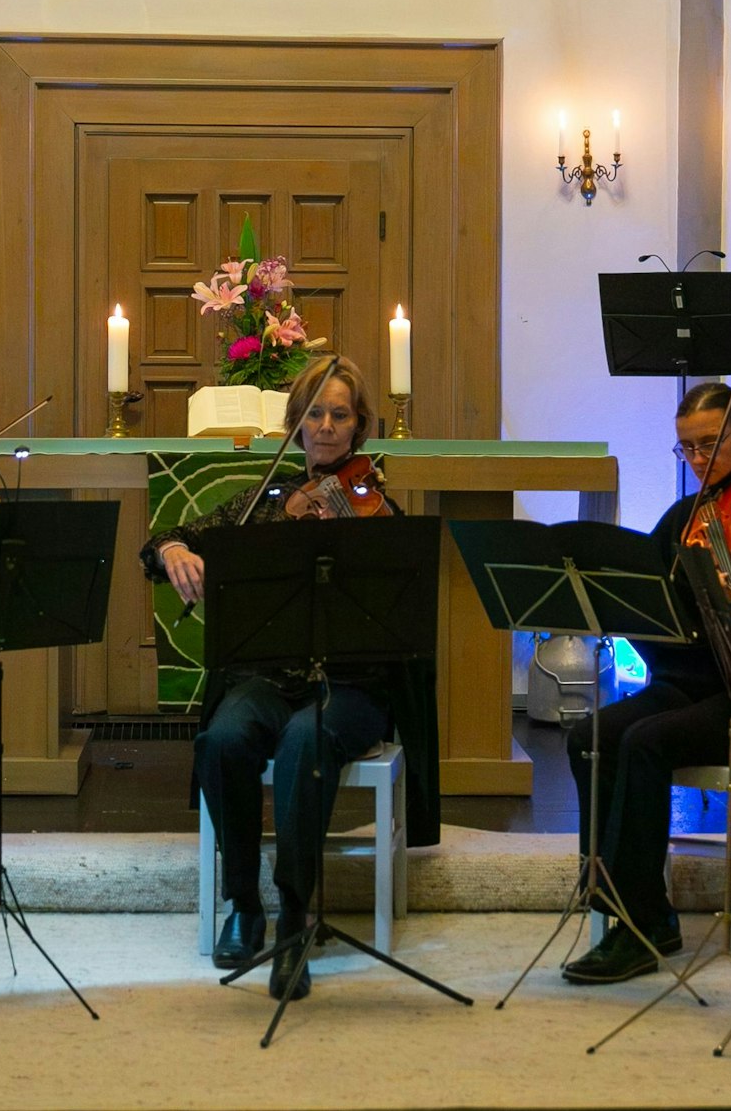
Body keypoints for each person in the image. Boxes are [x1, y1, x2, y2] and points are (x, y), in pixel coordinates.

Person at [142, 356, 440, 1001]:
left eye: (340, 415)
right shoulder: (265, 503)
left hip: (353, 688)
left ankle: (295, 916)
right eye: (314, 414)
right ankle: (245, 902)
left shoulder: (378, 512)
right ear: (295, 424)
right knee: (222, 741)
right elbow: (164, 536)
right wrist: (173, 551)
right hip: (269, 677)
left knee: (307, 743)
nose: (327, 427)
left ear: (359, 427)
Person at [560, 381, 731, 984]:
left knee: (645, 743)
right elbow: (644, 595)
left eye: (711, 444)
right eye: (687, 449)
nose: (699, 460)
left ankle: (642, 925)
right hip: (692, 686)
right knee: (587, 737)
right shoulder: (685, 518)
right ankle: (616, 896)